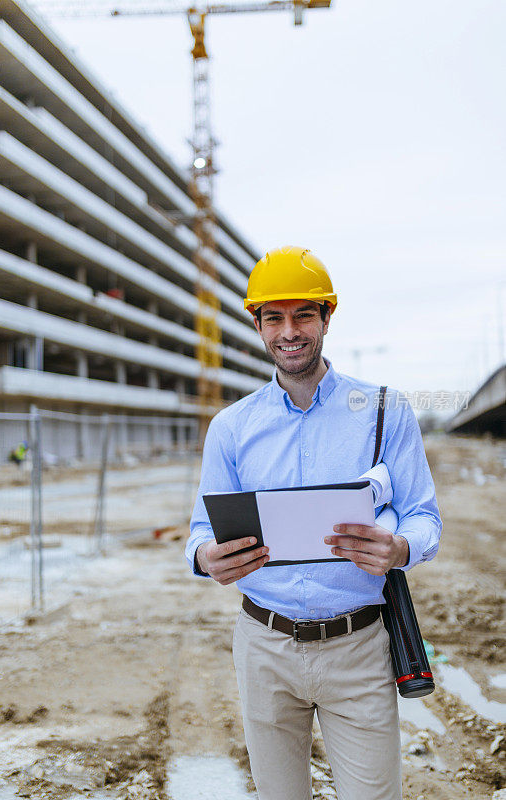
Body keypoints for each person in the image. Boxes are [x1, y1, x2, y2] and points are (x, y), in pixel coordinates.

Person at [186, 246, 442, 800]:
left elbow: (424, 516)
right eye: (273, 318)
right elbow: (201, 532)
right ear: (257, 325)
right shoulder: (231, 429)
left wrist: (400, 548)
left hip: (358, 644)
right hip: (264, 645)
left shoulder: (382, 410)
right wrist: (207, 558)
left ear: (327, 317)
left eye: (303, 314)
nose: (289, 331)